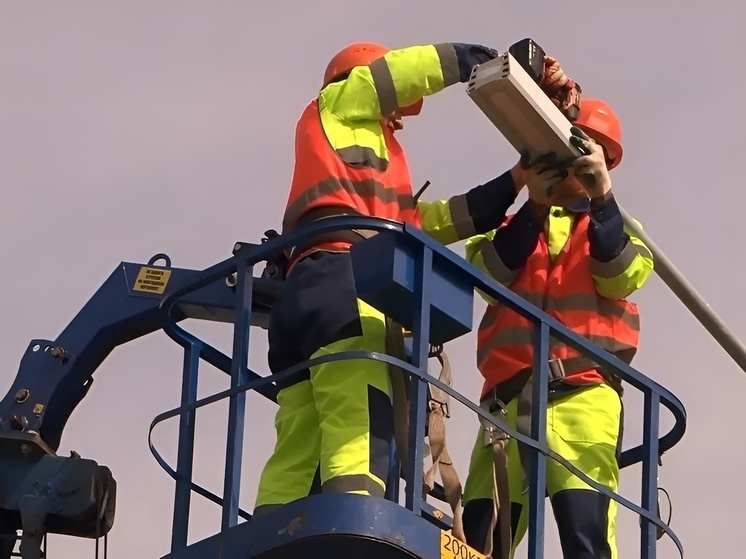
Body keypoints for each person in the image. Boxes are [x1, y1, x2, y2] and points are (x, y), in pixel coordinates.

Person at [253, 41, 580, 515]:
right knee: (361, 419)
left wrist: (517, 180)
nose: (397, 120)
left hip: (304, 295)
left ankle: (273, 533)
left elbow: (437, 221)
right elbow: (398, 74)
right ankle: (354, 524)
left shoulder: (355, 169)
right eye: (394, 113)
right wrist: (480, 61)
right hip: (348, 285)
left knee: (299, 437)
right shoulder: (341, 101)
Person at [461, 99, 654, 559]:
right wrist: (534, 208)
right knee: (475, 544)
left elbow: (620, 274)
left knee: (584, 535)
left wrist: (604, 198)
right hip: (505, 408)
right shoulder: (508, 229)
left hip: (583, 397)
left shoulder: (621, 230)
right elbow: (488, 277)